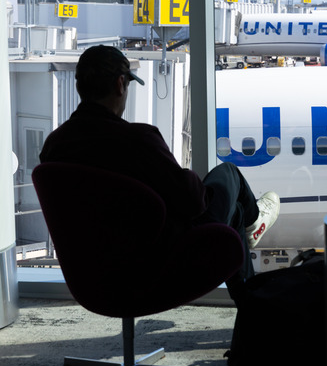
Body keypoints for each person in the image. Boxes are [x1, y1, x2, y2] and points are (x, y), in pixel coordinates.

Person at [39, 45, 279, 284]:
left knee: (234, 213)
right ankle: (254, 219)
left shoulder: (53, 147)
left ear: (79, 86)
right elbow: (193, 202)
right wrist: (190, 177)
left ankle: (250, 292)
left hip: (90, 275)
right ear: (120, 84)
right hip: (155, 267)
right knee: (229, 172)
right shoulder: (138, 140)